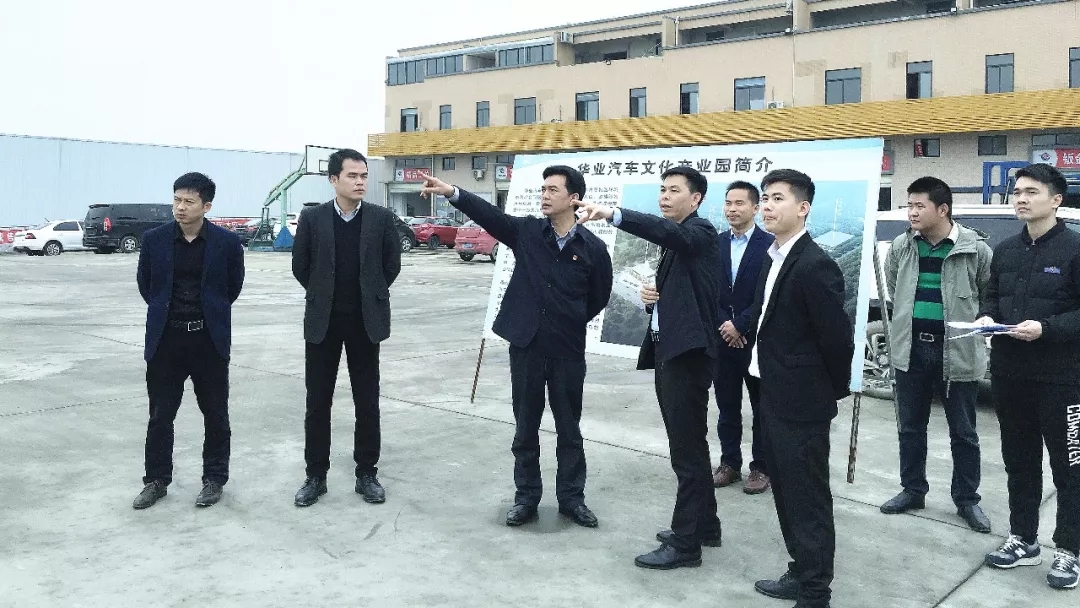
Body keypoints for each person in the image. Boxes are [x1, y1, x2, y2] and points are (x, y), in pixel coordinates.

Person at [417, 166, 613, 528]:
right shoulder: (527, 232)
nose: (545, 195)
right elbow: (489, 215)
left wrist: (567, 318)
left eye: (553, 190)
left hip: (567, 348)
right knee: (525, 426)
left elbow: (598, 297)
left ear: (573, 198)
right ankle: (526, 498)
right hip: (526, 345)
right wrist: (451, 192)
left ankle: (572, 499)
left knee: (569, 428)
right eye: (543, 189)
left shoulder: (593, 249)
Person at [576, 166, 723, 570]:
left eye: (674, 190)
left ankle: (686, 543)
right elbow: (685, 293)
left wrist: (613, 214)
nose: (664, 197)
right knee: (691, 446)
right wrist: (652, 300)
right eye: (662, 189)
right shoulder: (681, 239)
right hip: (671, 352)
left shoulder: (699, 231)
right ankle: (706, 526)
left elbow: (665, 232)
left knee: (686, 453)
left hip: (686, 358)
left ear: (695, 199)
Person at [747, 169, 854, 608]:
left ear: (803, 207)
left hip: (802, 401)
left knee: (808, 497)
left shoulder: (814, 264)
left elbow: (837, 339)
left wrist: (825, 392)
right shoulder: (773, 256)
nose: (767, 206)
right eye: (765, 198)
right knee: (788, 493)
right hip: (771, 391)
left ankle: (815, 590)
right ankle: (801, 570)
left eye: (777, 198)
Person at [978, 163, 1080, 590]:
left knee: (1070, 466)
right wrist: (987, 318)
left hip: (1063, 379)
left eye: (1031, 192)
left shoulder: (1075, 249)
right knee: (1019, 462)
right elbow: (991, 298)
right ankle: (1023, 539)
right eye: (1017, 192)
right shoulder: (1005, 250)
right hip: (1010, 374)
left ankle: (1069, 550)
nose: (1021, 198)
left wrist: (1047, 328)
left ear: (1056, 200)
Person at [879, 176, 993, 533]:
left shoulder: (975, 249)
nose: (912, 212)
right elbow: (895, 288)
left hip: (957, 350)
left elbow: (988, 296)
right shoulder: (902, 245)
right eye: (909, 205)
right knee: (911, 427)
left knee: (963, 431)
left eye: (919, 206)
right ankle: (912, 490)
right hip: (911, 349)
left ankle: (967, 500)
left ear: (942, 209)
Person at [291, 148, 402, 507]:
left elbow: (391, 265)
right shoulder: (313, 218)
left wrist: (369, 293)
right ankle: (315, 475)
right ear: (333, 179)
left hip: (365, 323)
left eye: (364, 176)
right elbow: (300, 265)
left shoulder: (381, 218)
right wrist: (323, 293)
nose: (360, 182)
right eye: (352, 176)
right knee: (317, 402)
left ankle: (366, 473)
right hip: (323, 322)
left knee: (366, 401)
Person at [133, 172, 245, 509]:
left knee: (216, 414)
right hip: (166, 340)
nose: (180, 207)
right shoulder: (154, 240)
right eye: (177, 200)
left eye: (189, 201)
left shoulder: (226, 244)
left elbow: (231, 288)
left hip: (208, 340)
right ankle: (156, 480)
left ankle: (214, 479)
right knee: (160, 416)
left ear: (206, 206)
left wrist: (208, 315)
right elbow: (147, 286)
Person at [710, 181, 774, 494]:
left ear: (755, 208)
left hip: (757, 341)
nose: (732, 209)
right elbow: (709, 289)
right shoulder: (716, 243)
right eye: (728, 203)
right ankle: (729, 463)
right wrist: (726, 324)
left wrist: (741, 325)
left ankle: (761, 467)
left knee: (762, 408)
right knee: (727, 407)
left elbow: (767, 294)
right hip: (723, 339)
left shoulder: (770, 244)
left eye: (739, 203)